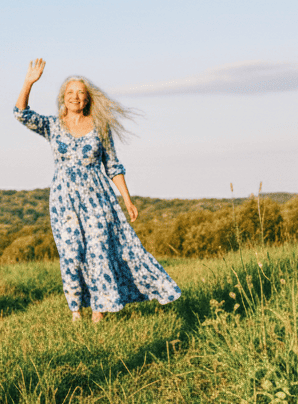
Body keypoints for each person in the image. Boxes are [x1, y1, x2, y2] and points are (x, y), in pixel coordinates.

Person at [14, 58, 179, 322]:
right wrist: (28, 83)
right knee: (71, 253)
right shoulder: (53, 125)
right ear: (63, 98)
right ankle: (75, 310)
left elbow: (113, 165)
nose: (75, 96)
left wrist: (127, 200)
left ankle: (99, 311)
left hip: (97, 198)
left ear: (88, 99)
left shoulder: (100, 127)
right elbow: (21, 114)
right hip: (64, 200)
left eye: (80, 92)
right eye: (70, 92)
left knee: (99, 251)